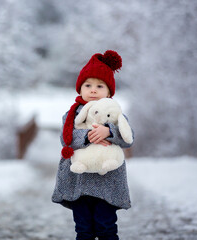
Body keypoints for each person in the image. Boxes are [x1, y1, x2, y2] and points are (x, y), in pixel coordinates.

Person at [52, 50, 134, 240]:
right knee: (83, 228)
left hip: (107, 182)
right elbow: (66, 138)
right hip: (79, 182)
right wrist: (88, 136)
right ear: (80, 89)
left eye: (100, 86)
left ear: (109, 91)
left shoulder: (114, 113)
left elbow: (129, 137)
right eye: (88, 85)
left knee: (106, 226)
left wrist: (109, 131)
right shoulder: (72, 115)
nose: (93, 90)